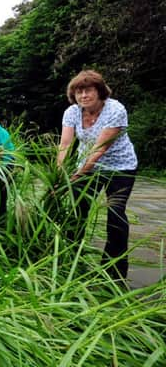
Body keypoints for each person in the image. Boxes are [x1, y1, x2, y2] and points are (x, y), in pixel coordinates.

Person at [57, 70, 137, 281]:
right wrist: (59, 174)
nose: (83, 96)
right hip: (86, 166)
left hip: (120, 167)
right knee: (77, 211)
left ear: (99, 91)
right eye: (78, 92)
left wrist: (76, 175)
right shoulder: (72, 112)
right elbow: (65, 145)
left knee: (115, 214)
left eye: (88, 90)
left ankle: (113, 274)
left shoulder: (115, 109)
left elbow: (99, 149)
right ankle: (70, 263)